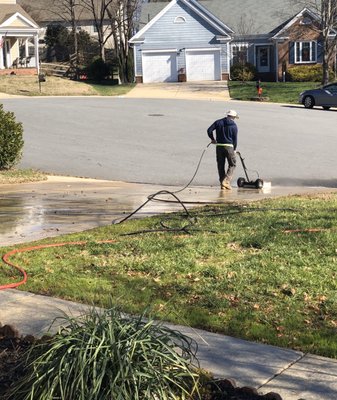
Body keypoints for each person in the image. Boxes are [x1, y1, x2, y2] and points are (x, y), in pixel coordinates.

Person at [207, 109, 239, 190]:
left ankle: (222, 183)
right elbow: (235, 139)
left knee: (220, 165)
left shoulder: (218, 122)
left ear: (227, 115)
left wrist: (213, 139)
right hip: (229, 147)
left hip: (219, 146)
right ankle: (226, 181)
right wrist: (234, 149)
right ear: (234, 117)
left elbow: (209, 130)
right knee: (232, 164)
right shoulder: (234, 126)